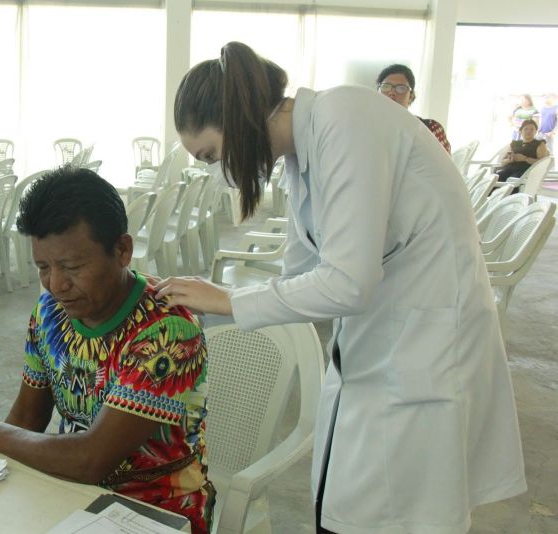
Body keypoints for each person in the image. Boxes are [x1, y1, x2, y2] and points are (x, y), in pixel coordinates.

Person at [158, 42, 526, 534]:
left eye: (212, 155)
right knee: (346, 503)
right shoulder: (301, 154)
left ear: (238, 121)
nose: (217, 170)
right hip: (378, 344)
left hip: (427, 352)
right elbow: (299, 278)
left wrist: (228, 299)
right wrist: (207, 304)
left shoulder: (346, 118)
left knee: (396, 516)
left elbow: (347, 284)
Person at [0, 166, 215, 534]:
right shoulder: (50, 313)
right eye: (43, 267)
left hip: (156, 510)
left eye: (71, 266)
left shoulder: (167, 331)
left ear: (122, 250)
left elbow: (91, 459)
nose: (56, 284)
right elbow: (27, 419)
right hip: (69, 489)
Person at [376, 64, 451, 153]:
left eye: (401, 88)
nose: (392, 92)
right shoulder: (368, 127)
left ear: (411, 96)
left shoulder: (431, 128)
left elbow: (444, 165)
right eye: (386, 86)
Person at [495, 119, 550, 184]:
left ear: (535, 132)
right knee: (494, 179)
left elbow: (542, 163)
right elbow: (503, 162)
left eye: (532, 129)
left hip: (525, 171)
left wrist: (525, 159)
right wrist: (509, 159)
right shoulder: (514, 143)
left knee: (512, 181)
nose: (529, 131)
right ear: (520, 131)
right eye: (526, 129)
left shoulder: (539, 144)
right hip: (509, 168)